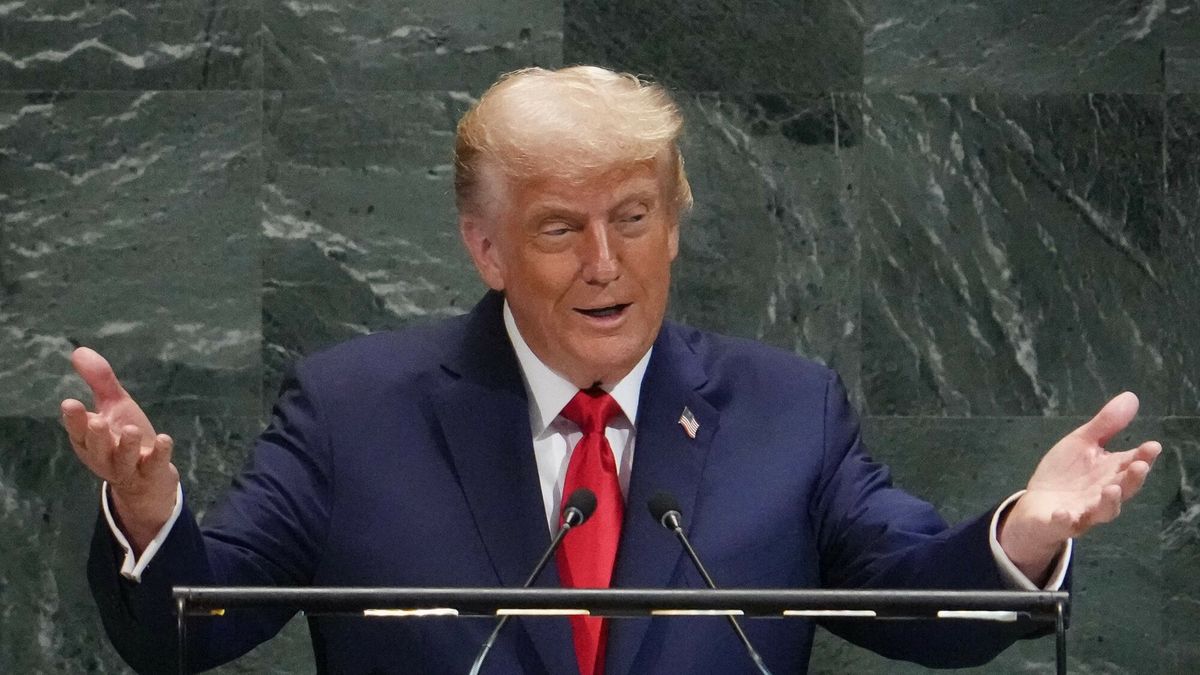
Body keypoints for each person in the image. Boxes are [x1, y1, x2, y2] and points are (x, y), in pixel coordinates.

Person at [62, 66, 1161, 674]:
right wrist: (149, 514)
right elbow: (185, 631)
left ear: (675, 225)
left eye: (634, 217)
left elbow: (920, 607)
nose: (606, 263)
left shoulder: (788, 412)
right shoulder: (354, 412)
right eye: (558, 229)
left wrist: (1026, 536)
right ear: (484, 249)